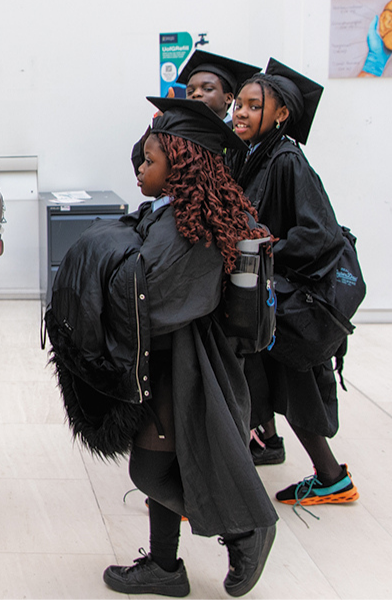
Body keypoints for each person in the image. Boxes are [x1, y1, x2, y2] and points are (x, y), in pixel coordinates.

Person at [53, 97, 279, 597]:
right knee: (167, 462)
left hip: (184, 370)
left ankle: (245, 528)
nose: (139, 168)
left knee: (150, 469)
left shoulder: (189, 227)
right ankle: (164, 566)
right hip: (164, 361)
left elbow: (149, 296)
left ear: (179, 166)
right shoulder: (178, 213)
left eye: (150, 161)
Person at [230, 60, 359, 507]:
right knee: (273, 383)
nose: (240, 113)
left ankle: (329, 478)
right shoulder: (254, 154)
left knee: (293, 386)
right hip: (271, 299)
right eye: (238, 104)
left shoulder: (286, 158)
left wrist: (266, 248)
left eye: (253, 105)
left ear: (281, 114)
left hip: (292, 303)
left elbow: (320, 233)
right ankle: (318, 472)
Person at [132, 50, 259, 174]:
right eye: (190, 91)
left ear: (229, 97)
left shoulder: (240, 135)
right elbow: (144, 167)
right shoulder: (181, 133)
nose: (197, 94)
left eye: (208, 89)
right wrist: (159, 126)